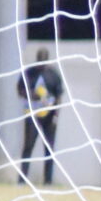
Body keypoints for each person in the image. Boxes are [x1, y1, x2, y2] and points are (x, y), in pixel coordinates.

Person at [20, 51, 65, 187]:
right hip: (32, 115)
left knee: (49, 149)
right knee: (28, 146)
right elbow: (20, 90)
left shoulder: (53, 75)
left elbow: (59, 96)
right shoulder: (28, 73)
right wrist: (32, 95)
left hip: (49, 116)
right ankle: (22, 180)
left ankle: (48, 181)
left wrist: (55, 114)